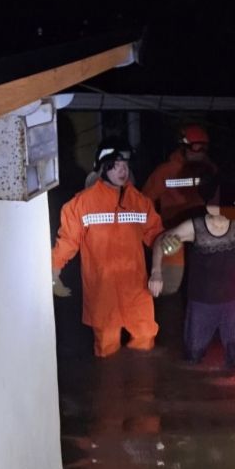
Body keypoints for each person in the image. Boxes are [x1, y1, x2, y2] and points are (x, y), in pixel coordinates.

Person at [148, 166, 235, 368]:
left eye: (228, 210)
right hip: (201, 304)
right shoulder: (194, 226)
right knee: (192, 362)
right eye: (216, 210)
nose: (222, 216)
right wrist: (156, 272)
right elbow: (161, 241)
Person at [52, 136, 163, 357]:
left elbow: (158, 236)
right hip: (103, 289)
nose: (123, 171)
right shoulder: (80, 204)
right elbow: (67, 243)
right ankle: (109, 387)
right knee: (107, 348)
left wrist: (161, 267)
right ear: (102, 167)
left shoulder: (140, 202)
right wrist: (54, 276)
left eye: (125, 165)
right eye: (116, 166)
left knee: (145, 337)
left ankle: (142, 389)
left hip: (137, 286)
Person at [142, 124, 217, 295]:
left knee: (201, 287)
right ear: (183, 147)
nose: (198, 153)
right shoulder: (166, 171)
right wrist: (155, 231)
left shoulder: (210, 170)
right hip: (173, 232)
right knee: (170, 287)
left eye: (203, 149)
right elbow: (145, 201)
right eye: (195, 148)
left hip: (202, 234)